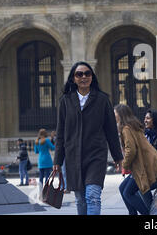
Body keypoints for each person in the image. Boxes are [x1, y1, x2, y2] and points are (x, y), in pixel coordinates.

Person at [53, 61, 123, 215]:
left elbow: (111, 130)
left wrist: (118, 156)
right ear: (73, 78)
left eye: (87, 73)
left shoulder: (102, 99)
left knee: (92, 196)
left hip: (96, 155)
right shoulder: (65, 101)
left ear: (92, 77)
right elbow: (60, 133)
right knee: (80, 199)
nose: (83, 77)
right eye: (79, 74)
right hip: (73, 156)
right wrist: (57, 161)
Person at [116, 104, 157, 215]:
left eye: (148, 118)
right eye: (145, 118)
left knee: (132, 190)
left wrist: (125, 165)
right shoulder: (143, 132)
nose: (145, 120)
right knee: (123, 188)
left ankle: (147, 213)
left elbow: (132, 150)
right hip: (145, 167)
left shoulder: (128, 129)